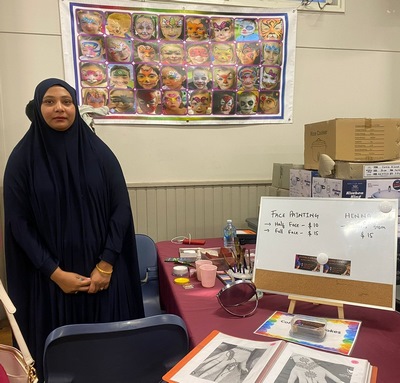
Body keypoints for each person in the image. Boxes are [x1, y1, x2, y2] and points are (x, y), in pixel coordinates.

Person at [3, 78, 144, 382]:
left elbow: (120, 209)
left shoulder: (100, 153)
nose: (59, 108)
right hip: (51, 286)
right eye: (50, 101)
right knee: (61, 365)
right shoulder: (21, 161)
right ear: (37, 107)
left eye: (66, 101)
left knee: (110, 364)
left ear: (75, 107)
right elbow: (19, 225)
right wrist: (56, 273)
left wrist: (105, 266)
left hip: (103, 282)